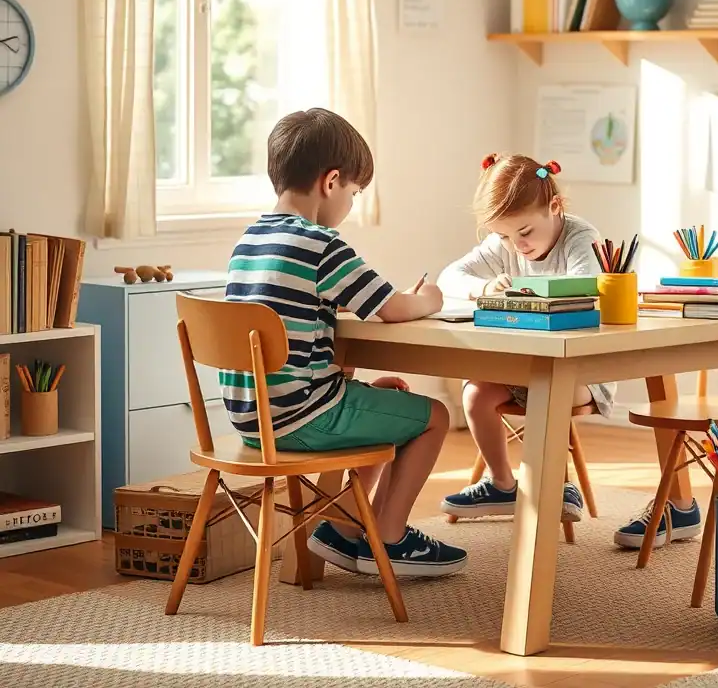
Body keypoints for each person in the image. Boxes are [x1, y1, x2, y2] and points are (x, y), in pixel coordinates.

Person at [220, 107, 466, 578]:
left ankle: (344, 528)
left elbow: (296, 304)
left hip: (254, 420)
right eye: (354, 193)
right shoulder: (321, 243)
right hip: (302, 416)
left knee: (388, 397)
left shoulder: (250, 240)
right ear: (331, 182)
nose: (351, 205)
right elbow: (392, 307)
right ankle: (390, 538)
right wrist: (429, 299)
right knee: (435, 417)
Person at [436, 152, 612, 525]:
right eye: (504, 236)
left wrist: (516, 289)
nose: (517, 245)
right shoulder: (506, 243)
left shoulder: (581, 239)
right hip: (521, 367)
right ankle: (501, 483)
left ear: (555, 206)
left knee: (547, 388)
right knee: (475, 393)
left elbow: (584, 288)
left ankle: (553, 483)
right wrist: (483, 286)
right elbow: (449, 276)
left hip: (581, 374)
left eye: (526, 232)